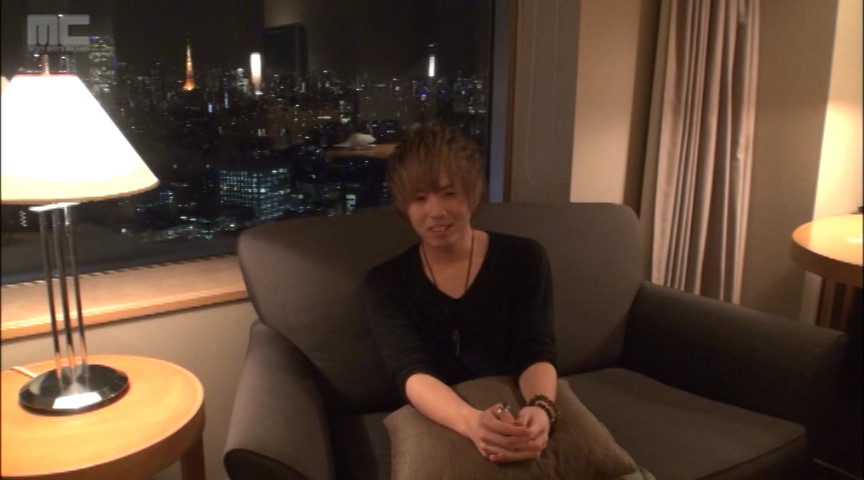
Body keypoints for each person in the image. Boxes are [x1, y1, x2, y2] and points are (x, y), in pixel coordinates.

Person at [363, 121, 559, 463]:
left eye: (449, 193)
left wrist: (541, 408)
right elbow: (410, 370)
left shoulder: (524, 258)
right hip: (441, 416)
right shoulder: (386, 282)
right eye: (419, 198)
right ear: (404, 207)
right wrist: (471, 422)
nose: (436, 211)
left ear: (473, 194)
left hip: (517, 404)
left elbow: (535, 346)